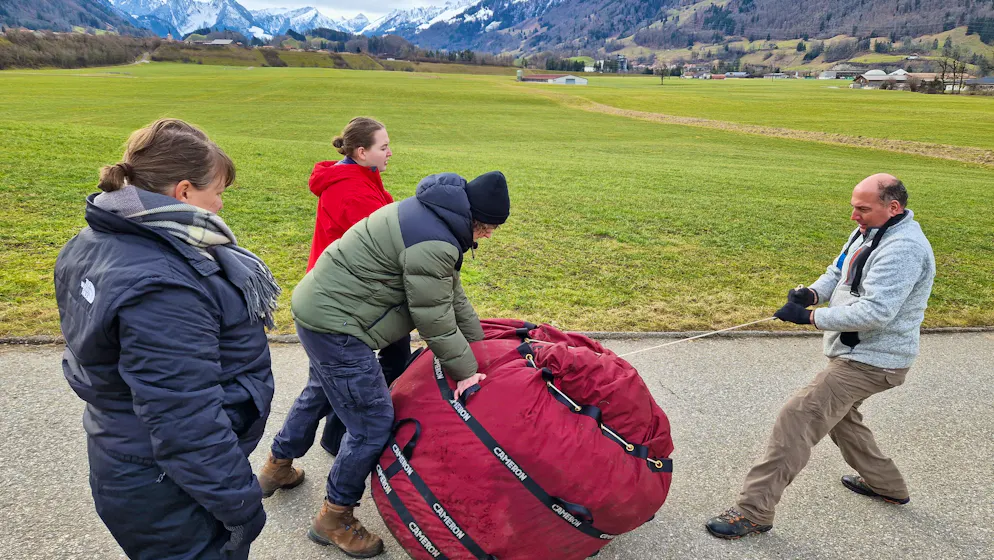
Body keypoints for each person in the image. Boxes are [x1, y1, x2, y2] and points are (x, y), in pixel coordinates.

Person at [54, 118, 279, 558]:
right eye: (217, 192)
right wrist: (240, 506)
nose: (219, 205)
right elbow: (184, 418)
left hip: (125, 455)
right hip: (166, 485)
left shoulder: (95, 239)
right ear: (183, 192)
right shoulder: (164, 285)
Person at [259, 170, 510, 557]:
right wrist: (464, 371)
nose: (489, 236)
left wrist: (481, 349)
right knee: (372, 423)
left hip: (317, 309)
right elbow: (434, 317)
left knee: (321, 392)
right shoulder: (436, 243)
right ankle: (334, 519)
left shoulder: (427, 214)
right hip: (339, 328)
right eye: (489, 228)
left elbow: (452, 296)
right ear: (475, 219)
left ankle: (277, 467)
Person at [706, 173, 935, 539]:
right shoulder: (870, 231)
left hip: (874, 360)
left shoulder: (904, 249)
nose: (854, 216)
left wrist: (810, 317)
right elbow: (839, 270)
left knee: (798, 417)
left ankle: (753, 512)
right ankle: (888, 485)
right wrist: (811, 294)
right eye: (853, 207)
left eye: (862, 208)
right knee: (842, 419)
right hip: (856, 352)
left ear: (893, 208)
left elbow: (876, 312)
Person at [303, 116, 412, 456]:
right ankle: (343, 439)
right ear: (362, 152)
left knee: (326, 380)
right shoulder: (351, 191)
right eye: (383, 147)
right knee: (378, 361)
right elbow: (385, 247)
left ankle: (326, 439)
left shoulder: (361, 176)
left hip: (343, 289)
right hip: (344, 295)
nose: (390, 152)